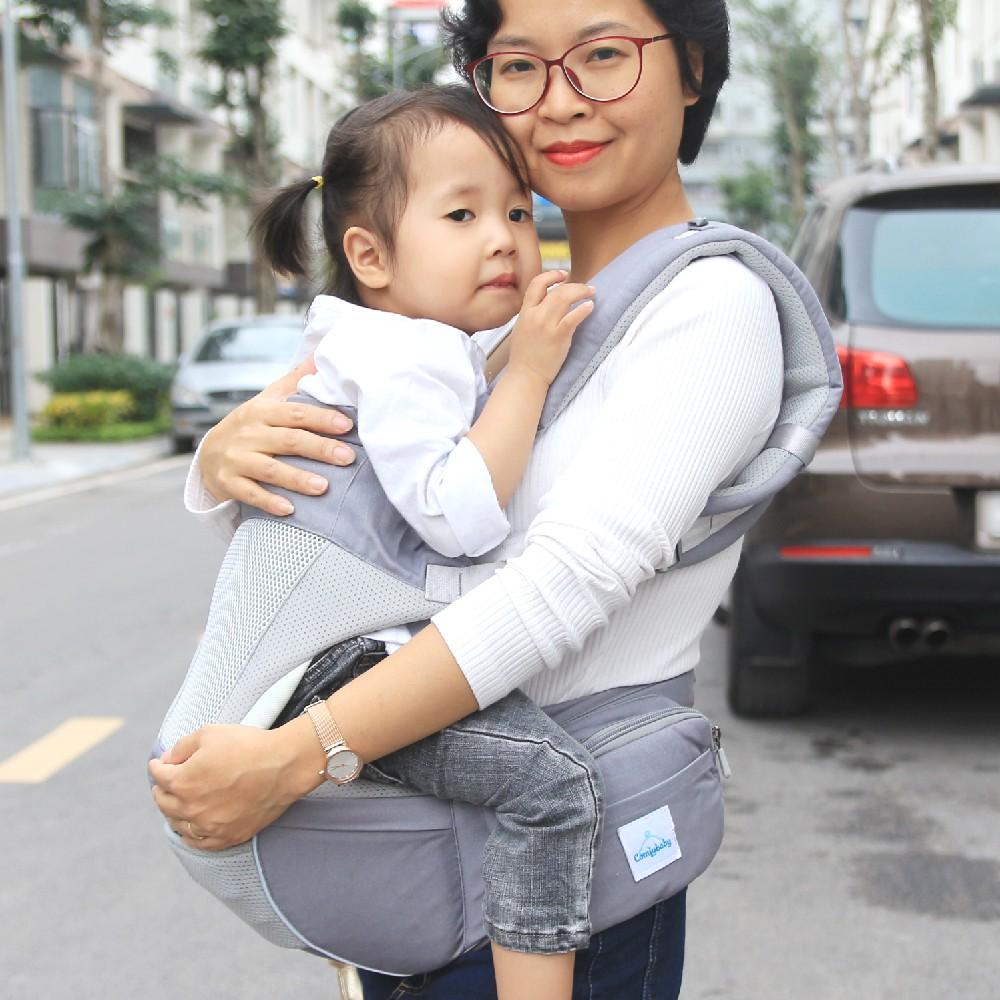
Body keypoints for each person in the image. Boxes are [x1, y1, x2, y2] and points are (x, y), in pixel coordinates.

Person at [150, 1, 784, 996]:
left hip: (575, 896)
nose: (561, 101)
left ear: (693, 70)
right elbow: (367, 530)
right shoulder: (483, 314)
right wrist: (229, 454)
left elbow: (561, 585)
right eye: (519, 65)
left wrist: (304, 753)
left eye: (604, 55)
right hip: (418, 861)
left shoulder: (710, 308)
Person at [165, 85, 602, 1000]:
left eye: (519, 212)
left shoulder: (392, 342)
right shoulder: (406, 355)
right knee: (551, 785)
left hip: (323, 661)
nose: (503, 238)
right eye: (462, 214)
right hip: (331, 671)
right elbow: (461, 516)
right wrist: (530, 372)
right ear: (368, 255)